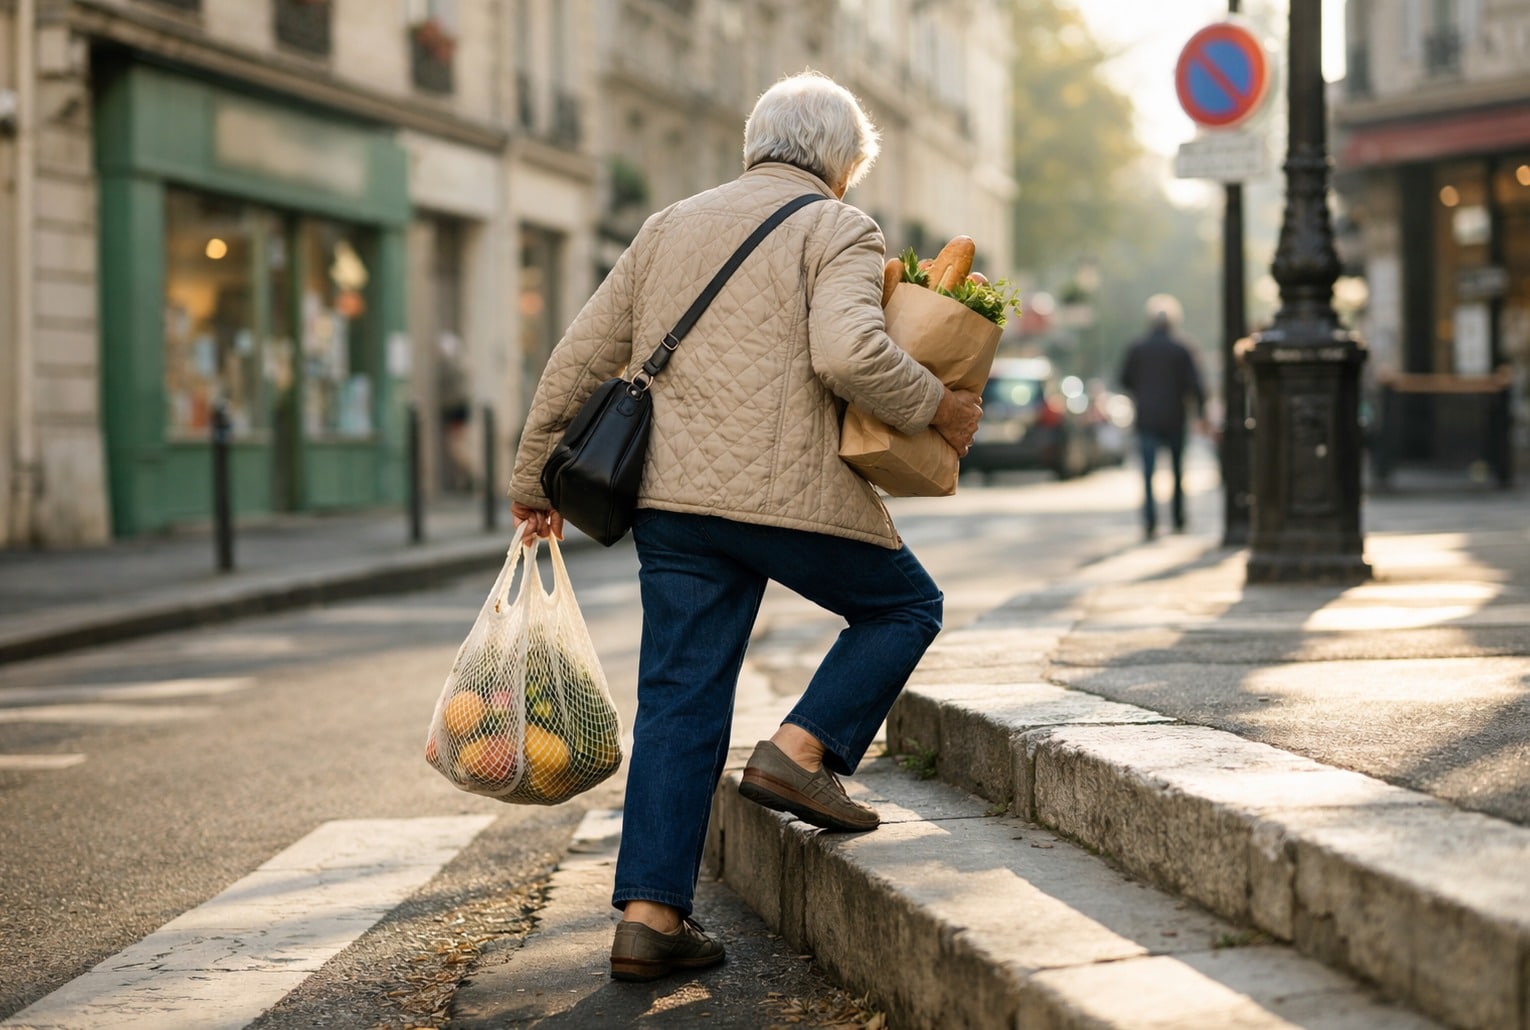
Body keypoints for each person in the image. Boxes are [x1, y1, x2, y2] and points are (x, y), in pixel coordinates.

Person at [507, 71, 983, 982]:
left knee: (679, 697)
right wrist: (938, 406)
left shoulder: (667, 225)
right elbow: (848, 351)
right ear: (842, 163)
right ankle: (798, 753)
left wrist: (536, 481)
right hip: (787, 496)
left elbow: (581, 355)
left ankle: (649, 919)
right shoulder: (838, 226)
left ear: (754, 143)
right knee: (905, 608)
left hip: (674, 506)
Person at [1117, 294, 1207, 538]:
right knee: (1177, 472)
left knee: (1148, 473)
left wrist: (1142, 393)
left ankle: (1150, 521)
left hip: (1147, 417)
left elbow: (1124, 379)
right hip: (1175, 418)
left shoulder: (1137, 348)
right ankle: (1177, 519)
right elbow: (1195, 385)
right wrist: (1201, 414)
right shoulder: (1182, 348)